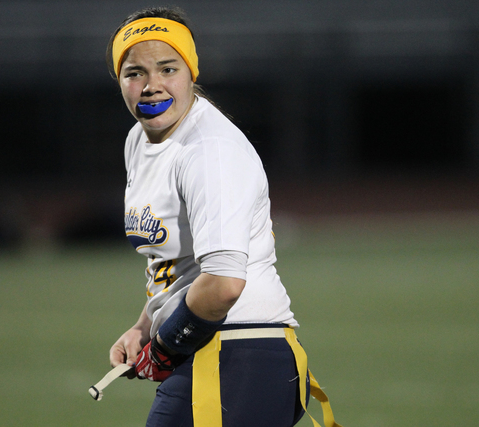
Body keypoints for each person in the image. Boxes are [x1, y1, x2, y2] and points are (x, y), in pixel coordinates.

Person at [105, 6, 341, 427]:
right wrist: (145, 327)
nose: (152, 86)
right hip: (209, 345)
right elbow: (175, 265)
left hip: (239, 351)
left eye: (167, 68)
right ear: (118, 80)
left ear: (192, 72)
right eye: (134, 72)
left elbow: (224, 284)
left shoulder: (209, 151)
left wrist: (163, 344)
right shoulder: (139, 140)